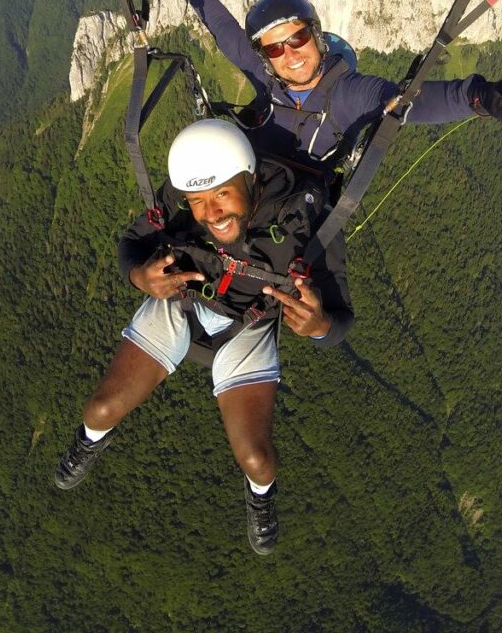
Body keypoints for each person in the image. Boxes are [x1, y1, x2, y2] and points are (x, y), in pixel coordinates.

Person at [54, 119, 352, 556]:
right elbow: (133, 242)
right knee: (99, 410)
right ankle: (89, 442)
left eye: (222, 195)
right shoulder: (176, 198)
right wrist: (140, 278)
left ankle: (261, 496)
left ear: (250, 180)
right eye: (197, 201)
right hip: (180, 300)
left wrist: (319, 325)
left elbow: (341, 321)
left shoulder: (306, 226)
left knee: (258, 459)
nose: (211, 214)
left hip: (249, 325)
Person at [164, 0, 502, 176]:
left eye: (297, 38)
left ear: (316, 36)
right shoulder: (267, 76)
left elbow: (407, 102)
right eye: (276, 48)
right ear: (266, 57)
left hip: (298, 207)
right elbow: (226, 30)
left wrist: (483, 96)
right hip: (242, 186)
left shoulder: (347, 93)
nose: (289, 54)